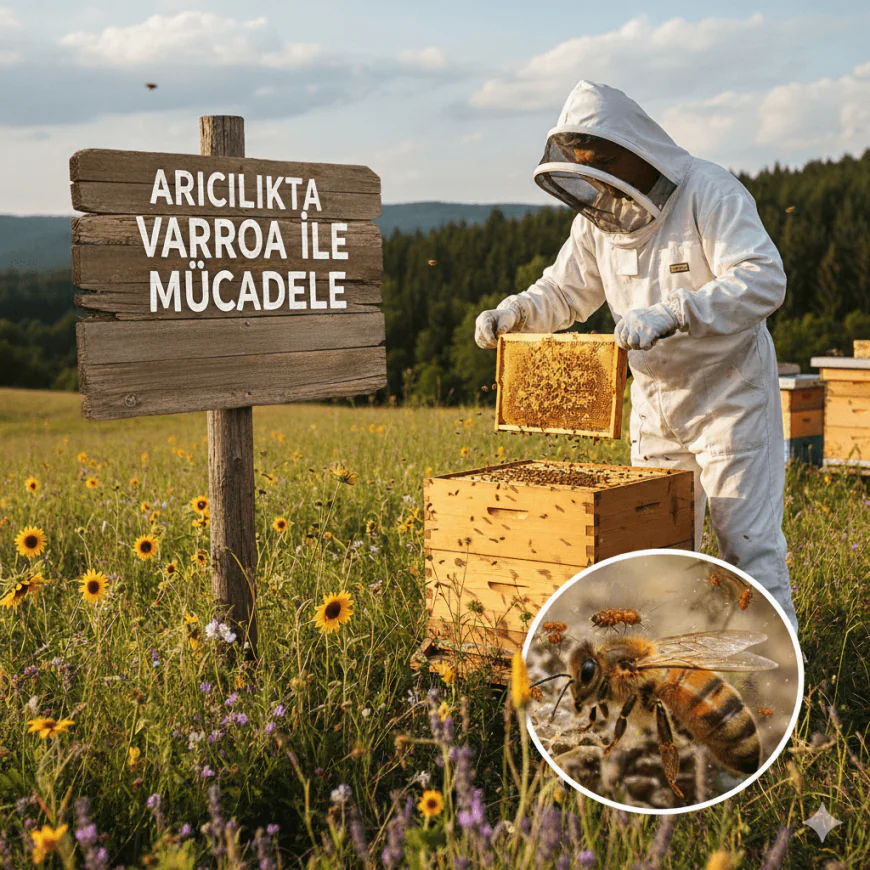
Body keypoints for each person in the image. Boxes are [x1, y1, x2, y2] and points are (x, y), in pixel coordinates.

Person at [475, 80, 798, 632]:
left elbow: (763, 279)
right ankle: (679, 668)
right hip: (654, 406)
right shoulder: (596, 222)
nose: (595, 177)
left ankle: (781, 683)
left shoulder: (710, 192)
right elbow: (563, 292)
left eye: (601, 162)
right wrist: (517, 313)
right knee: (657, 555)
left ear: (634, 150)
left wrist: (678, 312)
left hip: (730, 399)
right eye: (582, 166)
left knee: (747, 549)